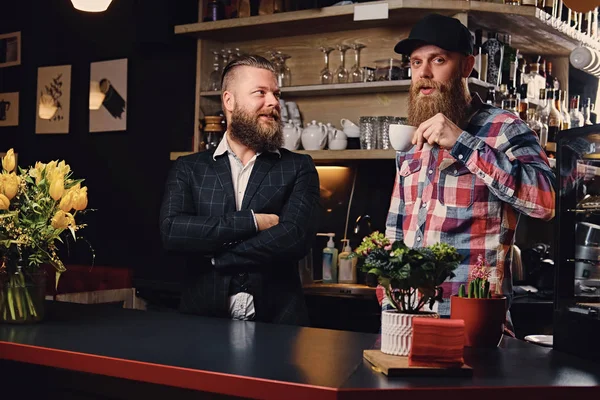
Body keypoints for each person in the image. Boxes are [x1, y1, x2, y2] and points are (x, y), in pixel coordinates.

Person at [385, 14, 556, 330]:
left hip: (472, 322)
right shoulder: (412, 137)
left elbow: (546, 202)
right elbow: (397, 230)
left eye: (438, 60)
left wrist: (462, 143)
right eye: (415, 62)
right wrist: (388, 293)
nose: (424, 73)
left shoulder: (505, 129)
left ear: (466, 67)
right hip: (406, 318)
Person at [160, 55, 320, 326]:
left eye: (276, 94)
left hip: (279, 325)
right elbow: (173, 231)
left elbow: (294, 237)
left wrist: (219, 258)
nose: (273, 103)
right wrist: (253, 222)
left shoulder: (298, 166)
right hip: (201, 324)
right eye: (261, 92)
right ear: (229, 101)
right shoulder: (189, 168)